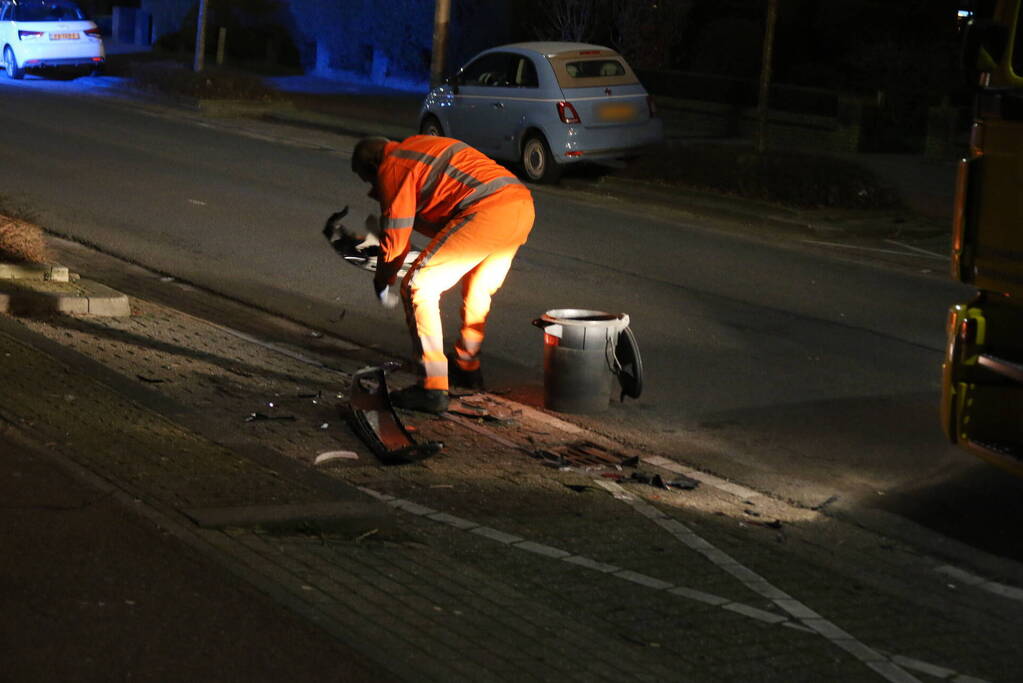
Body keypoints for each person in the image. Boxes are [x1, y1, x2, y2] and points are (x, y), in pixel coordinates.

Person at [350, 135, 535, 413]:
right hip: (519, 206)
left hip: (486, 210)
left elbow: (395, 243)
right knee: (477, 289)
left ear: (373, 165)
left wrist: (383, 279)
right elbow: (442, 212)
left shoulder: (394, 167)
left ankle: (432, 388)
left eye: (367, 180)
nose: (370, 189)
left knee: (419, 286)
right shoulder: (417, 147)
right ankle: (467, 367)